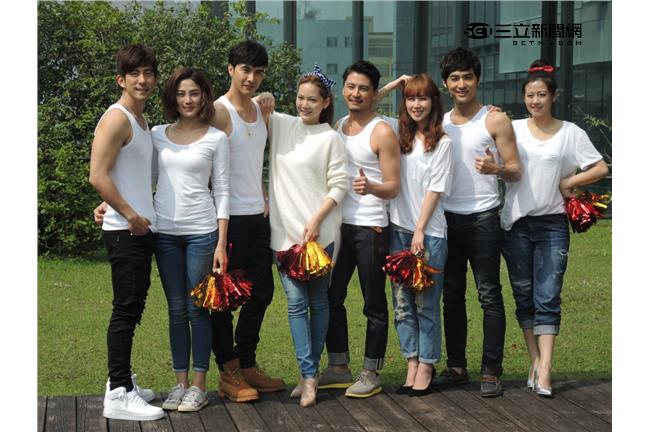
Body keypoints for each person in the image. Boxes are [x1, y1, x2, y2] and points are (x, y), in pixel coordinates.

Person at [501, 60, 608, 397]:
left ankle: (545, 368)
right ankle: (534, 361)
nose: (535, 101)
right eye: (530, 95)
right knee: (524, 296)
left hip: (552, 225)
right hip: (515, 224)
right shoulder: (512, 129)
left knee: (548, 295)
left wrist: (570, 182)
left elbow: (600, 167)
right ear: (524, 97)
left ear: (554, 96)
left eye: (542, 95)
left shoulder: (571, 133)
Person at [430, 47, 521, 397]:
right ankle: (456, 367)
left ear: (477, 79)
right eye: (454, 78)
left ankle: (491, 370)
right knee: (451, 295)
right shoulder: (438, 123)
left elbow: (515, 170)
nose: (461, 84)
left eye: (467, 77)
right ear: (446, 83)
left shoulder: (494, 120)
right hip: (446, 218)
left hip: (484, 218)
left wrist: (496, 168)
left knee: (489, 295)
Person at [89, 44, 164, 421]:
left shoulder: (142, 120)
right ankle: (118, 392)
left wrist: (114, 205)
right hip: (126, 230)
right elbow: (97, 175)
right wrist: (129, 215)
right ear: (121, 79)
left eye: (148, 73)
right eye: (134, 73)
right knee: (125, 309)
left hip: (137, 228)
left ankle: (120, 382)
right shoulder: (117, 118)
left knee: (133, 307)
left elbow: (122, 175)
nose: (142, 80)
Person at [265, 65, 348, 407]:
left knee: (319, 302)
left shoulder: (331, 138)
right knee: (296, 304)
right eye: (300, 97)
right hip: (285, 235)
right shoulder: (281, 125)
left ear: (326, 102)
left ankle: (308, 376)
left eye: (312, 99)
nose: (304, 104)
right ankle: (310, 373)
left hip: (320, 235)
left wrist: (316, 219)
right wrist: (265, 96)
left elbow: (339, 185)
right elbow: (255, 104)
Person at [208, 40, 286, 402]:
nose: (252, 78)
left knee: (262, 292)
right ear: (230, 69)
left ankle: (247, 362)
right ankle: (229, 370)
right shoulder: (218, 112)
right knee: (224, 297)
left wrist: (265, 193)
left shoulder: (261, 109)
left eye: (259, 72)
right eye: (245, 70)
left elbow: (258, 159)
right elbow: (186, 150)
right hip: (228, 219)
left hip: (258, 217)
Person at [318, 60, 400, 398]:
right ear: (343, 90)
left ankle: (371, 372)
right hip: (339, 227)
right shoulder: (339, 125)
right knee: (331, 297)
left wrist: (372, 187)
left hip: (371, 228)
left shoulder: (382, 132)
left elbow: (393, 186)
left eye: (363, 88)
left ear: (373, 93)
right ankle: (338, 367)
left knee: (373, 303)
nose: (356, 93)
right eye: (351, 86)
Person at [152, 67, 230, 412]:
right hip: (164, 234)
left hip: (202, 233)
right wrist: (109, 203)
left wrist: (221, 243)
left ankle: (199, 385)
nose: (187, 100)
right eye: (181, 93)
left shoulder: (216, 138)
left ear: (204, 97)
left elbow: (222, 190)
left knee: (197, 309)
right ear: (173, 97)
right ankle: (180, 383)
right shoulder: (156, 134)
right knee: (175, 309)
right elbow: (143, 179)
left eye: (194, 93)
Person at [378, 73, 454, 396]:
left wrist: (420, 230)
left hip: (429, 234)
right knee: (402, 305)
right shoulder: (398, 134)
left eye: (422, 98)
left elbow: (435, 189)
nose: (416, 104)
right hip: (397, 231)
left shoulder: (443, 143)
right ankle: (411, 360)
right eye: (410, 98)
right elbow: (364, 105)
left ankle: (427, 364)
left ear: (434, 102)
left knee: (426, 304)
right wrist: (394, 86)